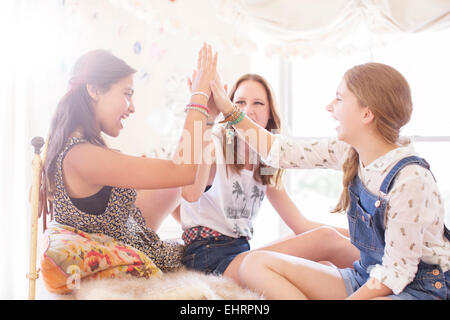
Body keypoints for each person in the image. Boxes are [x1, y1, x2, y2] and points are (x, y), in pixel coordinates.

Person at [209, 63, 450, 299]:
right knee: (254, 264)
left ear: (367, 113)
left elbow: (395, 274)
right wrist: (228, 109)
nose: (329, 106)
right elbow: (282, 152)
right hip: (367, 276)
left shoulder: (411, 179)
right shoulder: (349, 151)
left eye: (339, 98)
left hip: (418, 287)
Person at [44, 44, 218, 272]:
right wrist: (199, 97)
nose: (132, 107)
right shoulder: (83, 156)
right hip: (140, 249)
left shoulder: (77, 150)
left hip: (134, 229)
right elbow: (183, 172)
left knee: (187, 176)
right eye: (127, 94)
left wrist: (207, 117)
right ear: (95, 90)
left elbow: (182, 179)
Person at [175, 73, 359, 285]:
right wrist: (206, 116)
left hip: (239, 254)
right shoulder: (216, 145)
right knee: (325, 239)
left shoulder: (265, 161)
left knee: (325, 263)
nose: (247, 110)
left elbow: (300, 224)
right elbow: (189, 193)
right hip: (208, 259)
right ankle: (391, 266)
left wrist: (357, 236)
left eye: (258, 103)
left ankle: (380, 259)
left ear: (270, 113)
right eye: (239, 102)